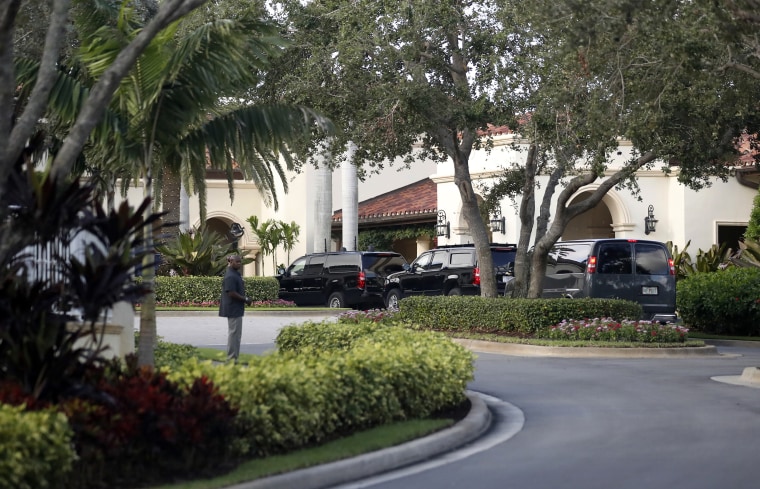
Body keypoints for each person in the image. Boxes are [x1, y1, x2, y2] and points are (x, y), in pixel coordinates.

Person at [219, 254, 251, 361]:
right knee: (234, 335)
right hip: (233, 309)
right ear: (231, 262)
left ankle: (233, 357)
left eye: (240, 262)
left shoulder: (234, 273)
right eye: (237, 262)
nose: (239, 264)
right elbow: (231, 293)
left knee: (236, 335)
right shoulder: (230, 276)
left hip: (236, 309)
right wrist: (245, 299)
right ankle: (232, 358)